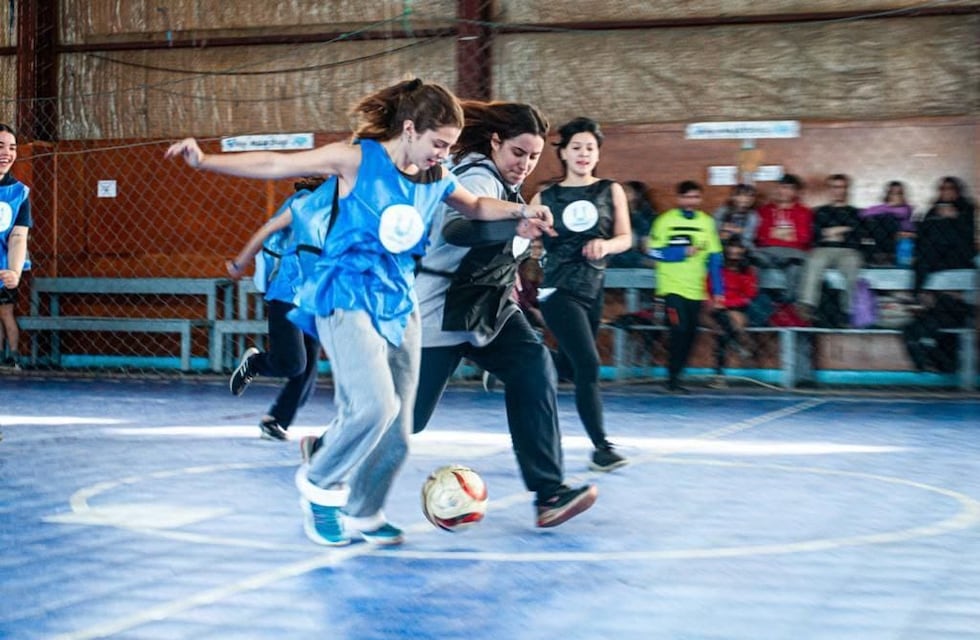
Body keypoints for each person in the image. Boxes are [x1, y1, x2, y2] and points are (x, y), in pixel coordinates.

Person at [166, 78, 554, 547]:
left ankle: (365, 513)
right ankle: (319, 483)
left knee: (399, 428)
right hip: (345, 295)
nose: (444, 154)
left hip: (399, 301)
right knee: (374, 406)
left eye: (450, 146)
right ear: (409, 129)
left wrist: (519, 215)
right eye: (438, 143)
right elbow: (276, 163)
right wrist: (204, 160)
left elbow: (473, 205)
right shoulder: (357, 159)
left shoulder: (436, 177)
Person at [411, 100, 598, 527]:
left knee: (532, 365)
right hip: (442, 301)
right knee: (410, 418)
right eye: (518, 153)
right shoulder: (477, 175)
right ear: (496, 142)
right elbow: (457, 229)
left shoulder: (504, 181)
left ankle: (550, 494)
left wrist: (511, 265)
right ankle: (332, 448)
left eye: (534, 157)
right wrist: (515, 224)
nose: (525, 165)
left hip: (487, 304)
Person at [531, 116, 632, 470]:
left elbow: (625, 238)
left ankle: (524, 363)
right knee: (589, 365)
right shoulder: (546, 195)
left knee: (574, 365)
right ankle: (601, 448)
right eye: (576, 147)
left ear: (598, 153)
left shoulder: (610, 190)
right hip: (558, 290)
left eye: (590, 147)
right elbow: (526, 237)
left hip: (593, 290)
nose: (583, 153)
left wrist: (606, 246)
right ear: (563, 153)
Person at [224, 177, 329, 441]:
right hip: (288, 293)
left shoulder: (337, 209)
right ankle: (256, 363)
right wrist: (240, 263)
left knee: (307, 368)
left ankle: (275, 421)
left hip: (313, 297)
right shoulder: (303, 204)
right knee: (293, 364)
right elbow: (266, 230)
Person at [649, 180, 724, 393]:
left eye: (696, 197)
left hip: (696, 290)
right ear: (679, 198)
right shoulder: (664, 221)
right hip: (671, 288)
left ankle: (678, 376)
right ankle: (672, 377)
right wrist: (679, 253)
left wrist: (718, 291)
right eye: (687, 197)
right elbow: (653, 252)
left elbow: (715, 259)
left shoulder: (707, 223)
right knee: (678, 330)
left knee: (690, 334)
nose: (692, 201)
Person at [796, 174, 863, 326]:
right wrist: (844, 230)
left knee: (853, 264)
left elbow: (858, 235)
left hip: (848, 251)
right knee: (814, 260)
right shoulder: (820, 212)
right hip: (823, 249)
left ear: (846, 189)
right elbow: (815, 235)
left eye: (842, 187)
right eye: (835, 187)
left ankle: (848, 310)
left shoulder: (855, 212)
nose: (838, 191)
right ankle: (807, 305)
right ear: (829, 189)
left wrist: (830, 232)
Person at [706, 234, 759, 389]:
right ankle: (738, 346)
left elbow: (749, 296)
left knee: (723, 327)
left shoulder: (747, 271)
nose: (734, 251)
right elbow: (706, 288)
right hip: (712, 308)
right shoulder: (716, 268)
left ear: (743, 251)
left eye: (738, 248)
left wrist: (725, 303)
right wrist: (712, 302)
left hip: (732, 309)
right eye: (732, 247)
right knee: (722, 320)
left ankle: (719, 376)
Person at [913, 176, 977, 298]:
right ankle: (920, 294)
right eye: (943, 188)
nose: (946, 191)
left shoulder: (966, 208)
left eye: (950, 188)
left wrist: (956, 216)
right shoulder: (933, 209)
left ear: (957, 191)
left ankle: (919, 293)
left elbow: (968, 234)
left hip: (958, 253)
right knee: (925, 254)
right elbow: (922, 232)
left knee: (942, 228)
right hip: (935, 253)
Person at [0, 123, 31, 372]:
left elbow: (18, 236)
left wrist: (14, 272)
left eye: (11, 148)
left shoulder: (19, 193)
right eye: (0, 147)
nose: (7, 153)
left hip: (2, 274)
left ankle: (11, 357)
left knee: (5, 315)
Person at [754, 173, 813, 303]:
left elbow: (803, 238)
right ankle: (754, 304)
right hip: (767, 251)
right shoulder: (765, 210)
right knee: (752, 261)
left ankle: (789, 305)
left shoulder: (804, 212)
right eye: (781, 187)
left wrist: (775, 233)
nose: (783, 191)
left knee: (796, 268)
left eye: (789, 188)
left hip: (793, 253)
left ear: (796, 192)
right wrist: (788, 234)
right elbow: (761, 237)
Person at [859, 180, 915, 267]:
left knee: (888, 218)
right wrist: (886, 206)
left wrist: (886, 207)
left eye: (898, 193)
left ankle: (885, 256)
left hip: (902, 240)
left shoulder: (907, 208)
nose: (895, 196)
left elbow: (901, 213)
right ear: (888, 195)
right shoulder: (884, 209)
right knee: (875, 221)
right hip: (884, 240)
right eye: (892, 193)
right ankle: (882, 256)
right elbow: (863, 214)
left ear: (902, 196)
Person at [608, 180, 657, 268]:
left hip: (638, 263)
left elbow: (646, 245)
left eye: (626, 191)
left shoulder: (644, 217)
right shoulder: (610, 214)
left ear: (636, 195)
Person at [713, 183, 760, 250]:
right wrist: (737, 230)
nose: (746, 199)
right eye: (742, 195)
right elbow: (714, 228)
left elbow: (750, 236)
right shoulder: (723, 211)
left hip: (744, 247)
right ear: (733, 197)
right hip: (722, 244)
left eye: (750, 196)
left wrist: (731, 229)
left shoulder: (752, 215)